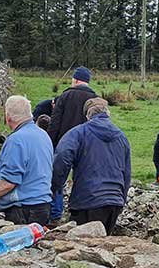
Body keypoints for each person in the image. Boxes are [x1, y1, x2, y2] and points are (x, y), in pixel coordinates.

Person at [51, 98, 131, 235]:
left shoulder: (78, 133)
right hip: (114, 202)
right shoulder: (122, 137)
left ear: (87, 116)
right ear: (108, 114)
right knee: (104, 247)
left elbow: (62, 157)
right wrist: (121, 200)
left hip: (87, 200)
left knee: (83, 248)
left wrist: (55, 187)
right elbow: (127, 174)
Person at [0, 96, 54, 225]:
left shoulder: (16, 140)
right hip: (43, 205)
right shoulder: (43, 135)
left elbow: (9, 181)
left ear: (8, 117)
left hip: (23, 208)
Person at [47, 66, 97, 223]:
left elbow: (55, 123)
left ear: (75, 79)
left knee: (58, 179)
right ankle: (78, 212)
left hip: (64, 144)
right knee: (82, 178)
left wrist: (50, 143)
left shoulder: (65, 96)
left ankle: (56, 213)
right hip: (87, 146)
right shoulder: (94, 99)